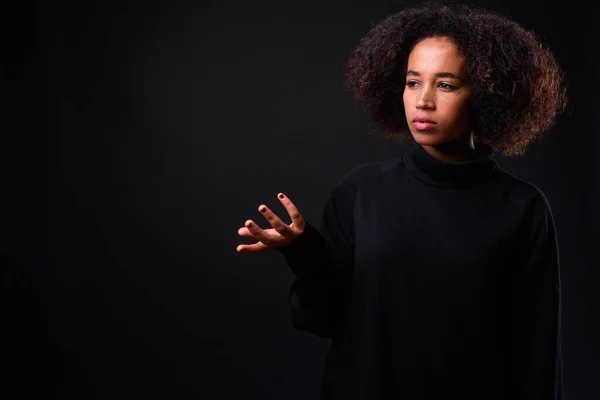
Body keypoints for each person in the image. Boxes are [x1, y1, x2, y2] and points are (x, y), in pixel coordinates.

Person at [236, 2, 566, 399]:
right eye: (413, 82)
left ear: (485, 92)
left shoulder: (523, 209)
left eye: (444, 84)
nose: (423, 101)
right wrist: (305, 254)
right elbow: (318, 321)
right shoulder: (360, 194)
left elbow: (537, 354)